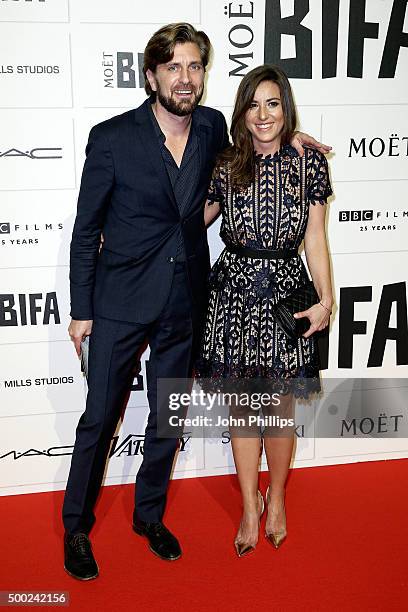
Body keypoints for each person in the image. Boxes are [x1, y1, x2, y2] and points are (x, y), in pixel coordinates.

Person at [63, 22, 330, 580]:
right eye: (173, 67)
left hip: (186, 302)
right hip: (118, 300)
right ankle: (77, 527)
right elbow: (86, 231)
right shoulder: (110, 138)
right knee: (98, 419)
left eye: (194, 67)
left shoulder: (211, 128)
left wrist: (297, 138)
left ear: (203, 76)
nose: (184, 78)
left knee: (167, 419)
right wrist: (83, 308)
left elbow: (262, 146)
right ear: (152, 75)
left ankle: (149, 516)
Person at [196, 64, 333, 556]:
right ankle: (250, 509)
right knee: (242, 410)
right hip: (232, 294)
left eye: (272, 103)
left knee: (278, 409)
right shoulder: (225, 163)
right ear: (242, 111)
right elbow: (190, 219)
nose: (262, 114)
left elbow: (315, 237)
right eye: (253, 104)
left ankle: (276, 499)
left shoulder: (308, 163)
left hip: (287, 296)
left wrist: (326, 298)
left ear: (286, 108)